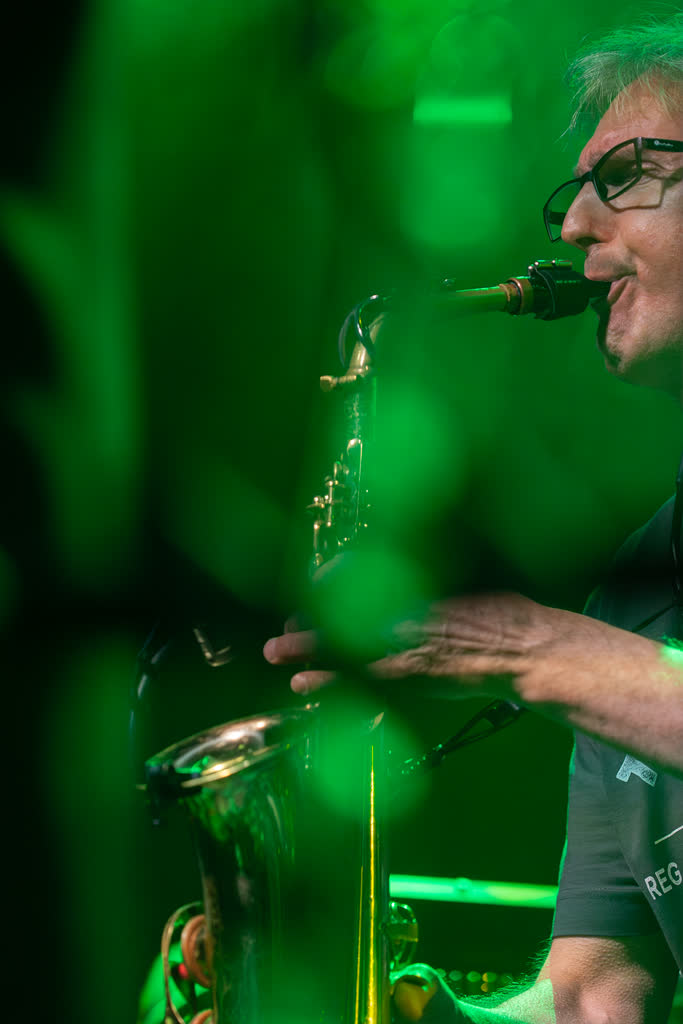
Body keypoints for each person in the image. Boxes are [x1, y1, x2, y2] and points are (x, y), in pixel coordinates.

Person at [264, 15, 683, 1023]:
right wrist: (407, 1007)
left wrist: (519, 645)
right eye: (572, 191)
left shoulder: (578, 645)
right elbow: (592, 997)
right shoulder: (638, 583)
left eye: (621, 174)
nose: (572, 227)